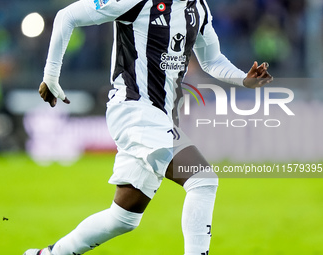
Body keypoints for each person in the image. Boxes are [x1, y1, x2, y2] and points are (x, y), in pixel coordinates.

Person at [24, 0, 272, 254]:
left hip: (160, 117)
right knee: (203, 180)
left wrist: (243, 79)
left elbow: (212, 60)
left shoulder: (198, 7)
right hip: (133, 108)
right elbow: (67, 16)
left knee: (122, 218)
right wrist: (51, 76)